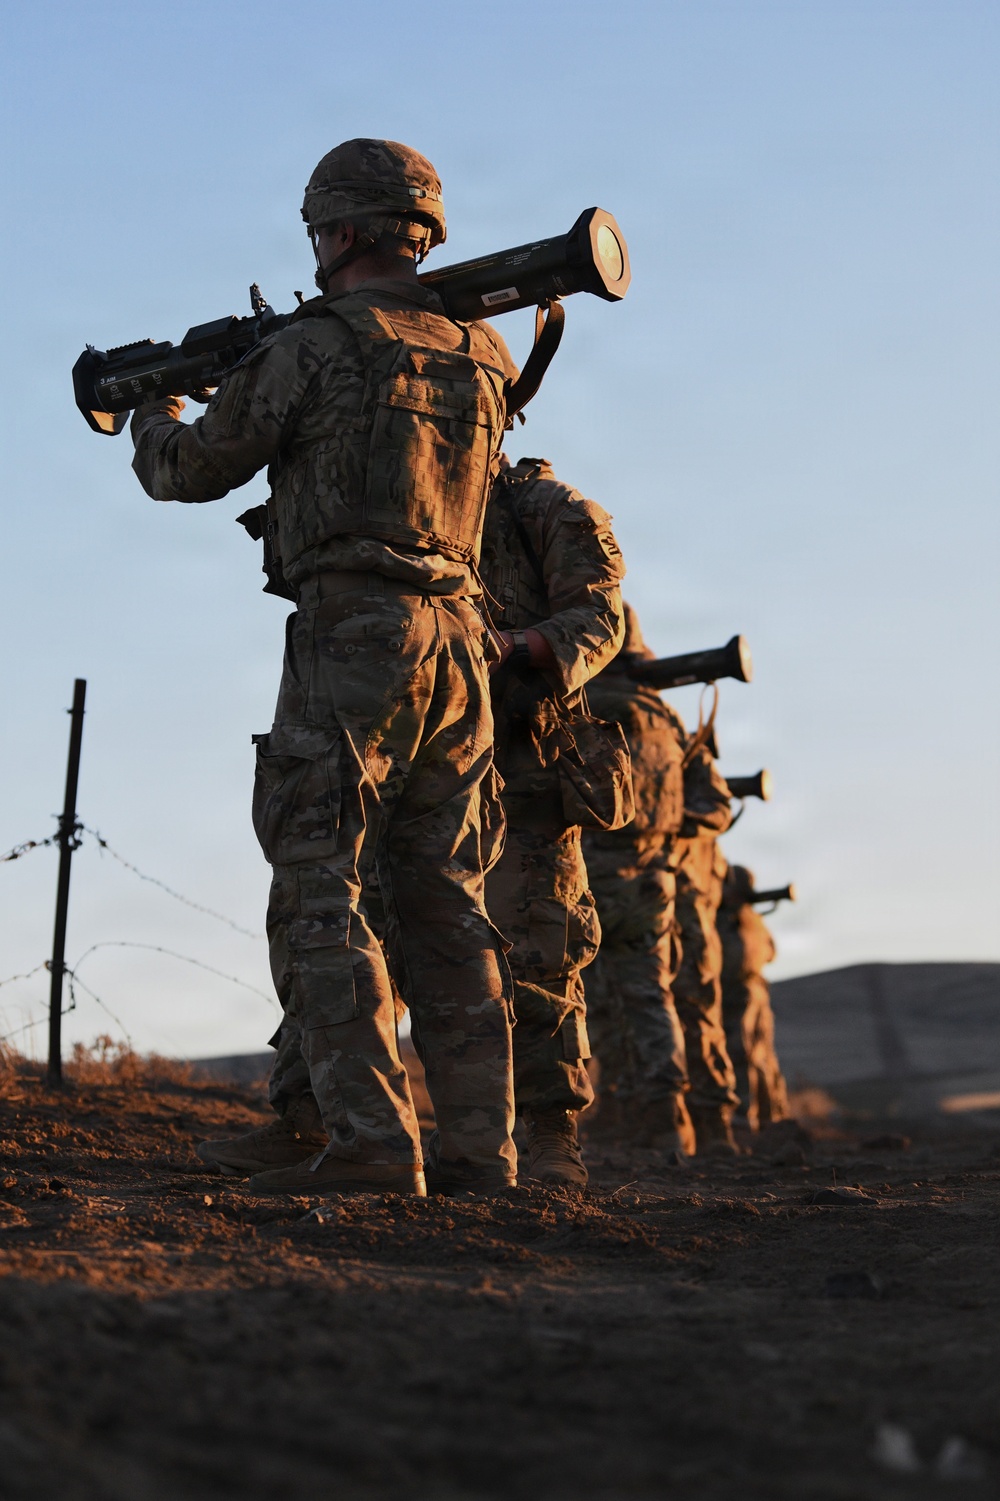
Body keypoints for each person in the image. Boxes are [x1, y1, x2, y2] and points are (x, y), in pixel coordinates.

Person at [130, 139, 521, 1197]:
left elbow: (195, 469)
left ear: (340, 231)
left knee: (320, 885)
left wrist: (151, 414)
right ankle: (483, 1154)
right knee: (446, 900)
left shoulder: (316, 344)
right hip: (460, 643)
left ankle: (371, 1146)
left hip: (354, 633)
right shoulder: (482, 352)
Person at [479, 456, 626, 1186]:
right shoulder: (405, 497)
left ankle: (551, 1135)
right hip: (413, 748)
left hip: (525, 760)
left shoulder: (544, 505)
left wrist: (513, 645)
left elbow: (600, 619)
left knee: (539, 952)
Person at [585, 603, 740, 1156]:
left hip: (582, 878)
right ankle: (669, 1116)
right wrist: (666, 828)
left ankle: (610, 1110)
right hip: (654, 881)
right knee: (653, 996)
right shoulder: (667, 720)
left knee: (588, 999)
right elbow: (716, 806)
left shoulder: (577, 706)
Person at [718, 863, 790, 1128]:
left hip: (739, 991)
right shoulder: (753, 920)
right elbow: (771, 953)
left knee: (742, 1052)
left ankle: (745, 1115)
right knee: (762, 1056)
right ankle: (771, 1116)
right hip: (758, 990)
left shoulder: (728, 919)